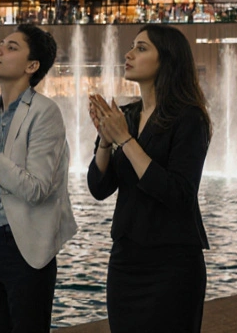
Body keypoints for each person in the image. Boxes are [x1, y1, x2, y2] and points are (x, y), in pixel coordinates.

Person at [0, 24, 78, 333]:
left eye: (11, 47)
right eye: (0, 44)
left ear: (32, 66)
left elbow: (37, 188)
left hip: (23, 249)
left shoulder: (45, 112)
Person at [87, 24, 211, 333]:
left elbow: (178, 193)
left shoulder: (189, 117)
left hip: (172, 262)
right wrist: (105, 140)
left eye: (142, 48)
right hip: (126, 260)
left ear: (167, 60)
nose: (129, 54)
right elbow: (99, 188)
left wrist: (126, 141)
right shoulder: (126, 115)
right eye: (132, 46)